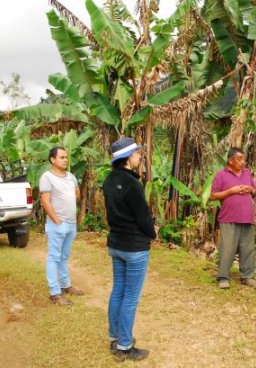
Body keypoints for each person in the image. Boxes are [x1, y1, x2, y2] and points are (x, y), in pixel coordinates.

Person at [102, 137, 156, 362]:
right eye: (136, 153)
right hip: (134, 248)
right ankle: (125, 346)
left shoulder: (108, 180)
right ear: (127, 158)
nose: (139, 156)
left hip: (117, 244)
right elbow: (143, 218)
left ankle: (115, 338)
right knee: (130, 297)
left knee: (118, 292)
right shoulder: (133, 184)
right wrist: (153, 232)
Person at [39, 147, 83, 306]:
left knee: (64, 257)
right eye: (62, 157)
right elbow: (45, 201)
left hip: (71, 223)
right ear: (52, 159)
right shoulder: (47, 177)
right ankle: (54, 293)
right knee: (53, 257)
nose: (65, 160)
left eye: (66, 157)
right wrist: (58, 221)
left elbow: (77, 194)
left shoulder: (70, 176)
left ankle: (66, 286)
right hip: (58, 224)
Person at [211, 147, 256, 289]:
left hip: (247, 217)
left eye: (243, 159)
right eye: (239, 159)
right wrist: (232, 191)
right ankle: (223, 277)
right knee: (227, 248)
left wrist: (251, 190)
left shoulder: (247, 173)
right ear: (230, 161)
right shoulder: (221, 175)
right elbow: (213, 196)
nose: (242, 162)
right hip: (228, 218)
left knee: (248, 248)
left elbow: (255, 191)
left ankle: (247, 277)